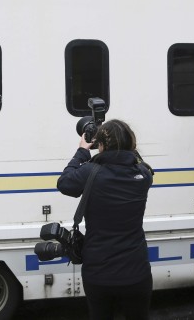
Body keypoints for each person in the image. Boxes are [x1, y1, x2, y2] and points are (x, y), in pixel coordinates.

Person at [56, 119, 154, 320]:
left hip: (98, 272)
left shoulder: (91, 172)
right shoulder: (143, 175)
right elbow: (136, 160)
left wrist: (83, 150)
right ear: (131, 145)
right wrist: (123, 146)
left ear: (100, 145)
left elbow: (64, 183)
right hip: (136, 271)